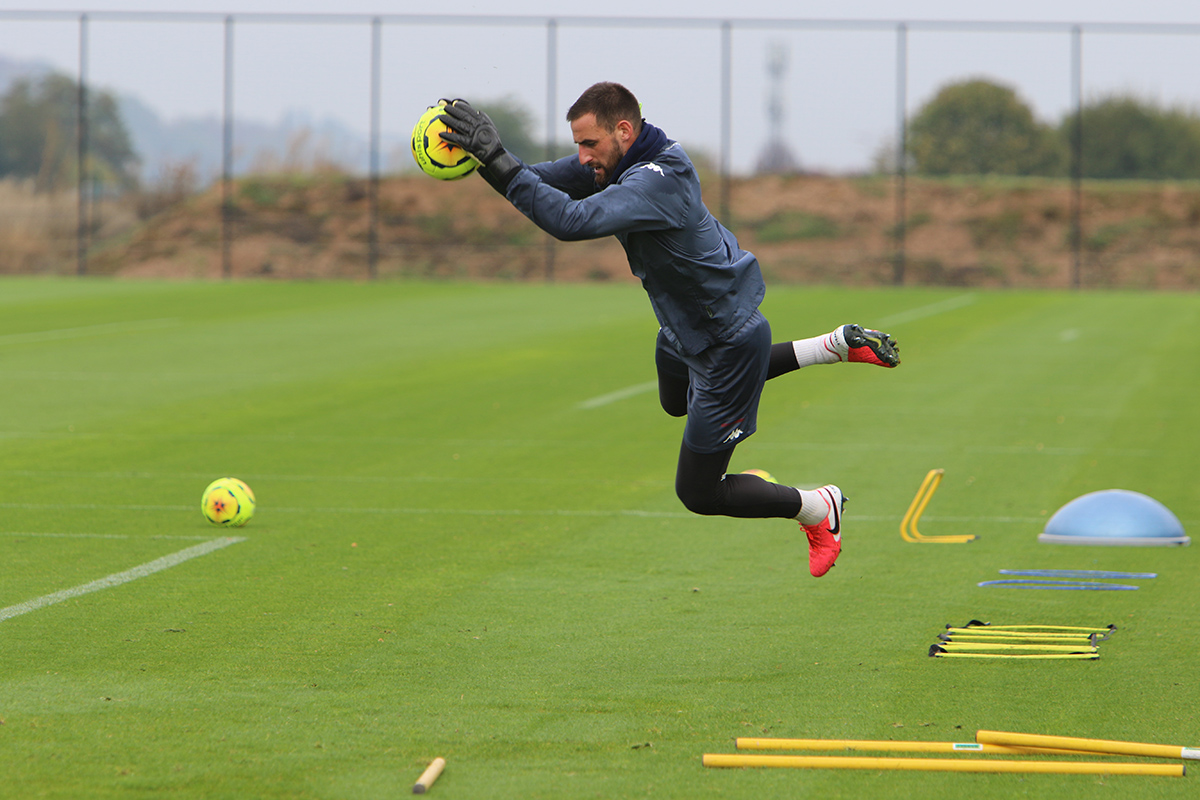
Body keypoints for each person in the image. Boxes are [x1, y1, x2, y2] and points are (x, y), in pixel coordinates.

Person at [438, 82, 899, 577]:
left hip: (727, 342)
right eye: (577, 144)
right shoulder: (620, 159)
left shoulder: (655, 180)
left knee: (699, 492)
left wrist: (497, 158)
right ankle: (832, 345)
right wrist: (485, 157)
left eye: (588, 144)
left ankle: (818, 507)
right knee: (676, 402)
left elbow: (569, 220)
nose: (581, 156)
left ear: (623, 130)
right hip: (682, 331)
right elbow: (532, 182)